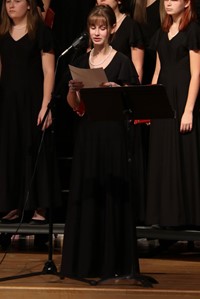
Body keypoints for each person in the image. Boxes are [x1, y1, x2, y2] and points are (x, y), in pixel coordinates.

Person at [60, 5, 140, 279]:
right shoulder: (81, 62)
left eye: (102, 27)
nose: (96, 32)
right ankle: (86, 262)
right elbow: (76, 107)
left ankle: (113, 262)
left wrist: (117, 91)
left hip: (113, 135)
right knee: (88, 193)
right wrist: (73, 92)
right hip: (88, 135)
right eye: (93, 27)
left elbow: (133, 105)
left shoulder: (122, 62)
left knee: (110, 193)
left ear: (111, 30)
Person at [0, 0, 60, 224]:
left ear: (28, 5)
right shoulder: (3, 33)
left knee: (35, 148)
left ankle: (40, 206)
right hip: (9, 103)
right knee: (11, 148)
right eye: (8, 1)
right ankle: (13, 204)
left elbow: (49, 70)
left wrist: (46, 104)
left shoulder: (41, 33)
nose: (11, 5)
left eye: (17, 1)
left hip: (33, 100)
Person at [146, 0, 200, 228]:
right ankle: (164, 216)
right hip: (164, 97)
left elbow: (197, 74)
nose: (167, 2)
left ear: (187, 3)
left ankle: (186, 217)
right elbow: (158, 70)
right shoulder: (162, 32)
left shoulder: (193, 30)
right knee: (162, 156)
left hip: (183, 96)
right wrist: (149, 105)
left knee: (182, 155)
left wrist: (188, 110)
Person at [96, 0, 144, 83]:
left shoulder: (131, 26)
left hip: (121, 86)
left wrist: (134, 92)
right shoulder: (94, 29)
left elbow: (137, 66)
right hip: (97, 85)